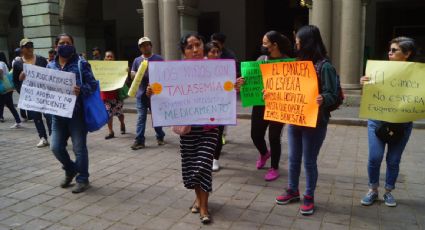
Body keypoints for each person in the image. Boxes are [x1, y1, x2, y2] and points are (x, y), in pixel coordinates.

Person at [274, 25, 338, 215]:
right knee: (293, 159)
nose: (296, 44)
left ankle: (309, 196)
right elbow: (286, 89)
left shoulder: (325, 66)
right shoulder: (296, 63)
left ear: (307, 42)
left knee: (309, 161)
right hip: (295, 120)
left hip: (315, 122)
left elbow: (333, 94)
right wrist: (272, 92)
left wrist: (324, 98)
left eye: (298, 41)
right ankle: (293, 190)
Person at [163, 33, 219, 224]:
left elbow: (224, 89)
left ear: (203, 45)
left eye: (198, 44)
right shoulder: (175, 71)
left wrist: (234, 86)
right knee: (193, 167)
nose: (195, 49)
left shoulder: (215, 68)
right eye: (189, 47)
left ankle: (204, 208)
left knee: (203, 165)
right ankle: (199, 199)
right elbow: (167, 94)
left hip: (208, 128)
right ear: (183, 52)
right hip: (188, 129)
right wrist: (153, 91)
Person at [360, 37, 417, 207]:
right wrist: (364, 84)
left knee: (393, 160)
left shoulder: (417, 75)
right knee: (375, 157)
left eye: (394, 50)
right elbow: (369, 98)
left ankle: (388, 191)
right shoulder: (379, 70)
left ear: (407, 54)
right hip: (377, 121)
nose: (390, 53)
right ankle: (372, 189)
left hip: (402, 123)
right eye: (389, 50)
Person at [236, 31, 293, 181]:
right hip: (260, 104)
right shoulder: (261, 59)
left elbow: (292, 86)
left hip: (278, 105)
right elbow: (252, 79)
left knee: (274, 137)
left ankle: (274, 167)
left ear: (274, 45)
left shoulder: (287, 62)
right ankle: (264, 153)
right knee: (255, 135)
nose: (262, 46)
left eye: (265, 43)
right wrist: (242, 82)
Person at [47, 33, 97, 193]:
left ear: (73, 45)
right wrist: (25, 78)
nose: (65, 45)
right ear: (56, 46)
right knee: (55, 147)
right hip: (57, 115)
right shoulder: (50, 66)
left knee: (79, 148)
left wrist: (80, 89)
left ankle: (83, 179)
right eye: (62, 43)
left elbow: (93, 85)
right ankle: (71, 169)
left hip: (77, 115)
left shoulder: (82, 64)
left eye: (68, 42)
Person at [13, 38, 52, 146]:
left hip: (44, 93)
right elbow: (16, 80)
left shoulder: (41, 59)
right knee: (36, 117)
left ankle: (53, 136)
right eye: (27, 46)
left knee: (48, 116)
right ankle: (43, 137)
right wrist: (22, 91)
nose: (30, 48)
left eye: (31, 46)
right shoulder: (17, 63)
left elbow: (49, 74)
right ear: (22, 49)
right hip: (31, 95)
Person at [130, 37, 165, 150]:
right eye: (142, 45)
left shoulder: (158, 58)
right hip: (141, 95)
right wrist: (136, 75)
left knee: (156, 117)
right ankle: (139, 140)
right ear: (140, 48)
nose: (145, 47)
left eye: (147, 44)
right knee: (141, 117)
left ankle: (160, 136)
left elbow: (165, 74)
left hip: (155, 95)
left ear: (151, 45)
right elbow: (132, 74)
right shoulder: (137, 60)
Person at [204, 42, 225, 171]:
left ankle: (215, 159)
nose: (215, 54)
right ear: (207, 53)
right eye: (212, 51)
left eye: (217, 52)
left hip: (220, 105)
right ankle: (206, 156)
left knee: (218, 133)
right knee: (206, 133)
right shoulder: (199, 66)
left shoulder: (224, 67)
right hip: (204, 106)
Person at [101, 50, 126, 139]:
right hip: (105, 96)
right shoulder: (100, 68)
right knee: (108, 114)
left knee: (119, 114)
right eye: (107, 56)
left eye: (111, 56)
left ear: (114, 58)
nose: (109, 58)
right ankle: (111, 132)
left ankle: (122, 123)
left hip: (116, 96)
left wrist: (125, 71)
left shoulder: (118, 68)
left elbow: (124, 78)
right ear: (104, 59)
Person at [0, 53, 21, 126]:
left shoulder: (1, 63)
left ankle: (17, 120)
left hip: (4, 87)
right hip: (6, 87)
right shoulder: (3, 63)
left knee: (7, 104)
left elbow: (1, 72)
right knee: (10, 105)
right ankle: (18, 120)